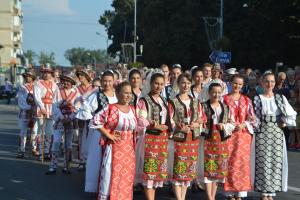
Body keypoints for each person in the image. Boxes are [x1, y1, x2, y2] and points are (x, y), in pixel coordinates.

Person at [253, 72, 297, 200]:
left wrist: (285, 122)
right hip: (262, 132)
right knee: (262, 162)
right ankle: (263, 192)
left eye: (272, 81)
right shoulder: (257, 98)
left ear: (275, 83)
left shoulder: (280, 98)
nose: (269, 84)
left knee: (275, 162)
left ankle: (271, 192)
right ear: (262, 82)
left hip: (277, 132)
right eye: (267, 81)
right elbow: (252, 116)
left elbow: (291, 113)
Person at [94, 82, 137, 200]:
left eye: (130, 93)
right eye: (126, 93)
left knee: (126, 176)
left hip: (129, 149)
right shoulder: (111, 108)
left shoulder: (132, 109)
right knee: (110, 174)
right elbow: (95, 121)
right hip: (114, 147)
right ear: (118, 94)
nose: (129, 95)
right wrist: (108, 135)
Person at [137, 72, 171, 200]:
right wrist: (154, 125)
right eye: (156, 83)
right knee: (149, 170)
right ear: (151, 83)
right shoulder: (144, 100)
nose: (159, 86)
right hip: (150, 138)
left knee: (156, 171)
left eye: (161, 84)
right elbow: (140, 119)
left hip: (162, 138)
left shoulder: (163, 100)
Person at [168, 73, 203, 200]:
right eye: (183, 82)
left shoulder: (195, 101)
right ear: (178, 84)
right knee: (179, 168)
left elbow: (201, 117)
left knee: (188, 169)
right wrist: (178, 126)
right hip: (179, 138)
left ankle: (183, 197)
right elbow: (169, 119)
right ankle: (179, 198)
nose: (186, 85)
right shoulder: (173, 101)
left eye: (188, 83)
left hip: (192, 138)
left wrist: (196, 123)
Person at [82, 70, 117, 193]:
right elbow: (85, 109)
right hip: (99, 132)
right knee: (96, 160)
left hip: (114, 134)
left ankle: (110, 187)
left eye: (110, 81)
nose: (107, 84)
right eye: (105, 81)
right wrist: (95, 121)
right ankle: (96, 187)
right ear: (101, 82)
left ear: (114, 82)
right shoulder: (96, 96)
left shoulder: (117, 95)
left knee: (112, 162)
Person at [223, 75, 256, 200]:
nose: (237, 86)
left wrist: (244, 124)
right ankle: (230, 193)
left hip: (243, 136)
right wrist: (230, 124)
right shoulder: (224, 99)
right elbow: (220, 116)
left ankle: (240, 193)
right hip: (229, 136)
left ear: (243, 85)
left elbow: (253, 119)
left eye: (240, 84)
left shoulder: (247, 100)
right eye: (235, 83)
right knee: (230, 162)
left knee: (242, 164)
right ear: (230, 83)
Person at [201, 83, 235, 200]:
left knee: (217, 170)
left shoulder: (225, 107)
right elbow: (199, 122)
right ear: (209, 93)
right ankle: (209, 196)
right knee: (208, 169)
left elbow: (232, 123)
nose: (216, 94)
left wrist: (224, 126)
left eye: (219, 92)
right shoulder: (203, 106)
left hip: (221, 141)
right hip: (208, 140)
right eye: (214, 92)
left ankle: (213, 196)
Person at [46, 73, 79, 174]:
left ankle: (66, 166)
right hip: (59, 121)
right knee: (56, 142)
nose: (66, 83)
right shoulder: (58, 91)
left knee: (68, 144)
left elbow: (77, 107)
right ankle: (53, 166)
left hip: (70, 121)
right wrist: (61, 117)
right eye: (64, 81)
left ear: (72, 83)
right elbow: (55, 105)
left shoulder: (76, 93)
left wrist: (70, 118)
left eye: (68, 81)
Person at [34, 64, 59, 161]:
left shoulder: (55, 84)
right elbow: (37, 97)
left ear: (51, 74)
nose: (46, 74)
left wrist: (55, 110)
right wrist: (42, 107)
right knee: (41, 131)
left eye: (48, 72)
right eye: (44, 72)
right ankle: (40, 152)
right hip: (42, 108)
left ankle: (47, 151)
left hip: (51, 108)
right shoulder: (38, 83)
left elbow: (56, 97)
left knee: (49, 132)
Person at [74, 69, 93, 169]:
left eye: (82, 75)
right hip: (80, 114)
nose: (80, 77)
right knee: (81, 136)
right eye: (79, 76)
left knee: (89, 137)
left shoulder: (93, 87)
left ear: (86, 76)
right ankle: (81, 159)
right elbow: (75, 101)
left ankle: (88, 159)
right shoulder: (77, 89)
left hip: (90, 114)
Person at [16, 71, 37, 158]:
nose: (28, 78)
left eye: (30, 76)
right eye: (27, 76)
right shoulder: (22, 87)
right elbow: (20, 100)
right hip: (25, 112)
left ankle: (34, 148)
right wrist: (28, 107)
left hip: (35, 112)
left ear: (33, 78)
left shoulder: (37, 87)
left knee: (35, 131)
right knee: (22, 132)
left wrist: (35, 108)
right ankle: (21, 149)